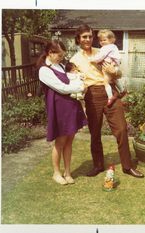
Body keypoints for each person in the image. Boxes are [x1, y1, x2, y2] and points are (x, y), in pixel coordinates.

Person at [70, 24, 144, 178]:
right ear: (78, 39)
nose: (88, 39)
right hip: (92, 94)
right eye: (84, 36)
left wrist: (115, 71)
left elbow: (118, 71)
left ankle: (127, 166)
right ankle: (98, 165)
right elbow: (74, 80)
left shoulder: (103, 50)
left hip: (110, 91)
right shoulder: (74, 60)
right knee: (95, 133)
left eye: (90, 36)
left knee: (122, 129)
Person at [37, 40, 87, 185]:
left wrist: (78, 83)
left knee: (70, 140)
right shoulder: (44, 70)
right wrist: (79, 87)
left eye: (62, 56)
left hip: (71, 106)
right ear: (50, 53)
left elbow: (71, 81)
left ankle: (68, 172)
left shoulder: (61, 66)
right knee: (60, 142)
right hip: (59, 109)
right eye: (58, 55)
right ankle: (56, 173)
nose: (61, 58)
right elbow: (62, 88)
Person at [89, 29, 125, 107]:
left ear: (111, 40)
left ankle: (110, 97)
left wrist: (92, 60)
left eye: (104, 40)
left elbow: (100, 57)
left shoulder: (106, 48)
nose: (102, 42)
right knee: (115, 79)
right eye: (100, 40)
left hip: (108, 65)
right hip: (114, 65)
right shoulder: (114, 47)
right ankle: (122, 90)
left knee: (106, 82)